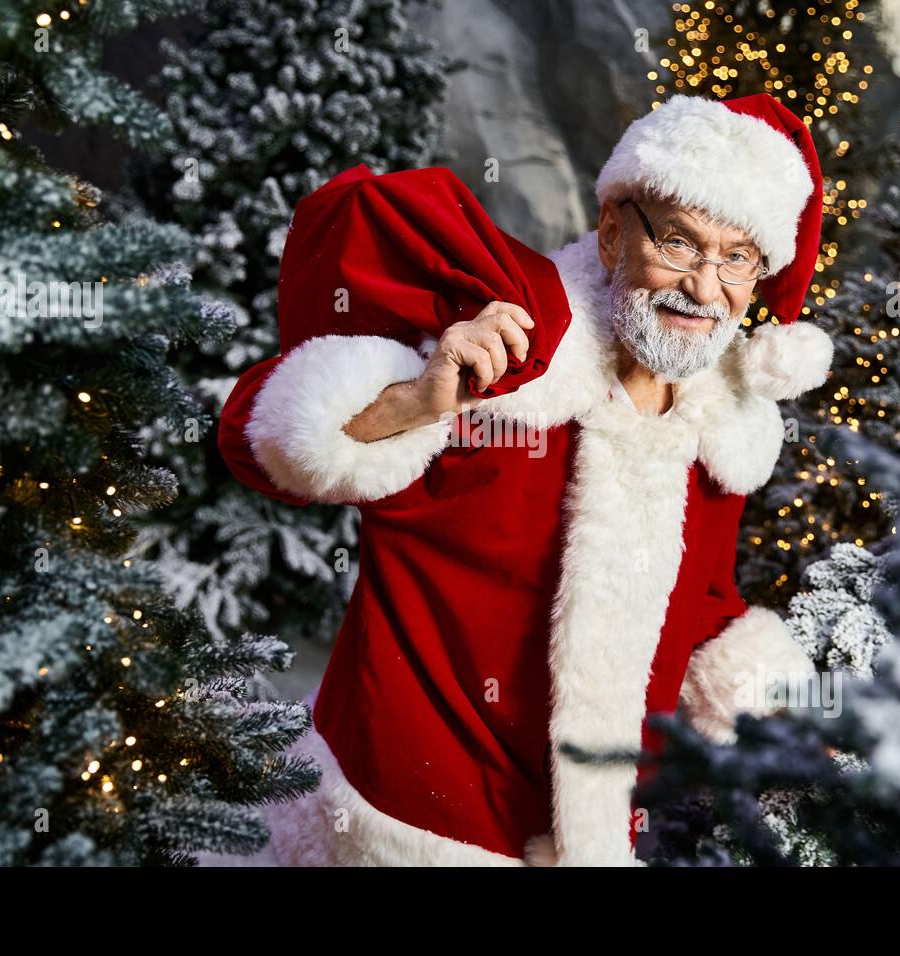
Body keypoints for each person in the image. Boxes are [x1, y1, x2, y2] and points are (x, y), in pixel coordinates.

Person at [214, 94, 835, 866]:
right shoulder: (510, 357)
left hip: (599, 838)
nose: (705, 289)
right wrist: (415, 399)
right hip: (407, 831)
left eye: (737, 257)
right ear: (613, 232)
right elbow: (255, 438)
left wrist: (790, 731)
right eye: (678, 243)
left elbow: (700, 604)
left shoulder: (716, 425)